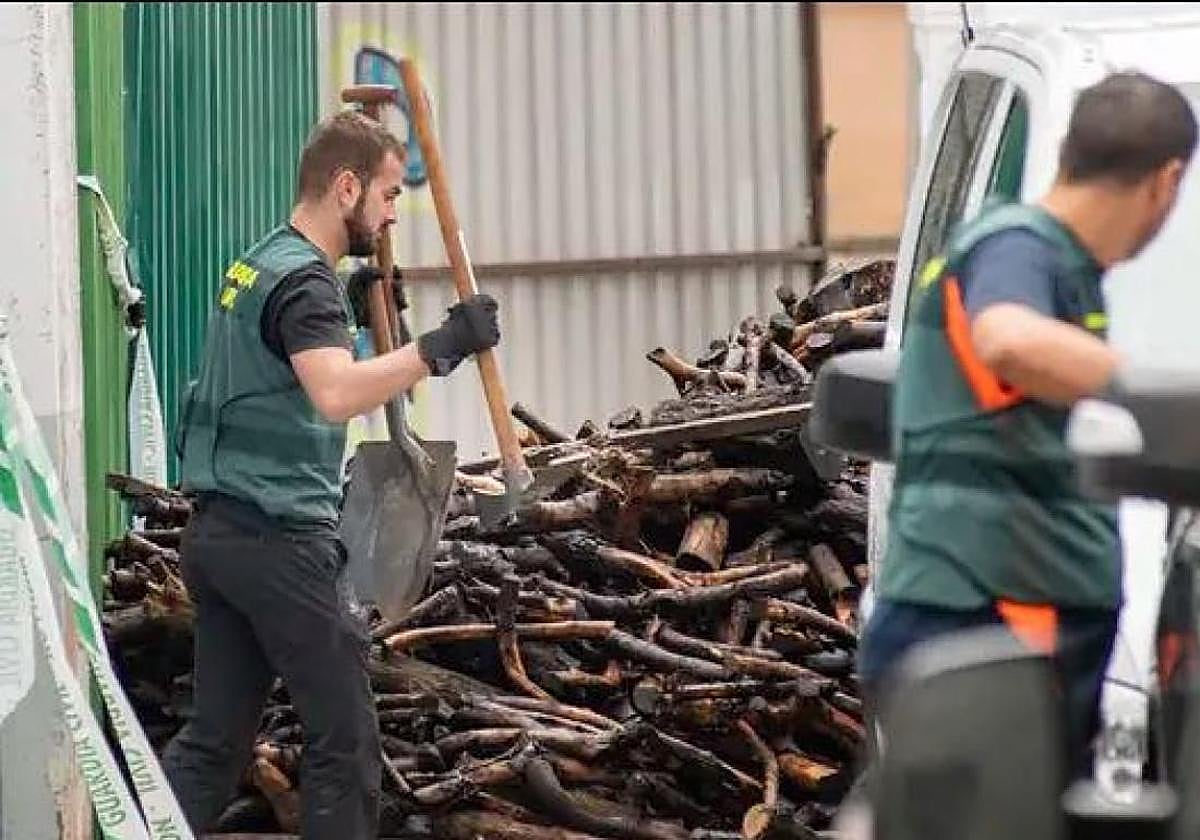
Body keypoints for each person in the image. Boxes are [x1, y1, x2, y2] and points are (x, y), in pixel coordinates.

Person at [161, 110, 500, 837]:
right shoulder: (305, 288)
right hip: (278, 542)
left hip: (218, 538)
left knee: (214, 745)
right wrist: (441, 347)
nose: (390, 215)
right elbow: (336, 391)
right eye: (385, 197)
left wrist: (355, 309)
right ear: (345, 187)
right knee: (345, 743)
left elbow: (279, 367)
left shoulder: (261, 263)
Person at [860, 71, 1197, 776]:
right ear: (1166, 181)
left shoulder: (1054, 262)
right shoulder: (1018, 247)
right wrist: (1149, 387)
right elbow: (1008, 340)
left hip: (1005, 628)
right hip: (989, 630)